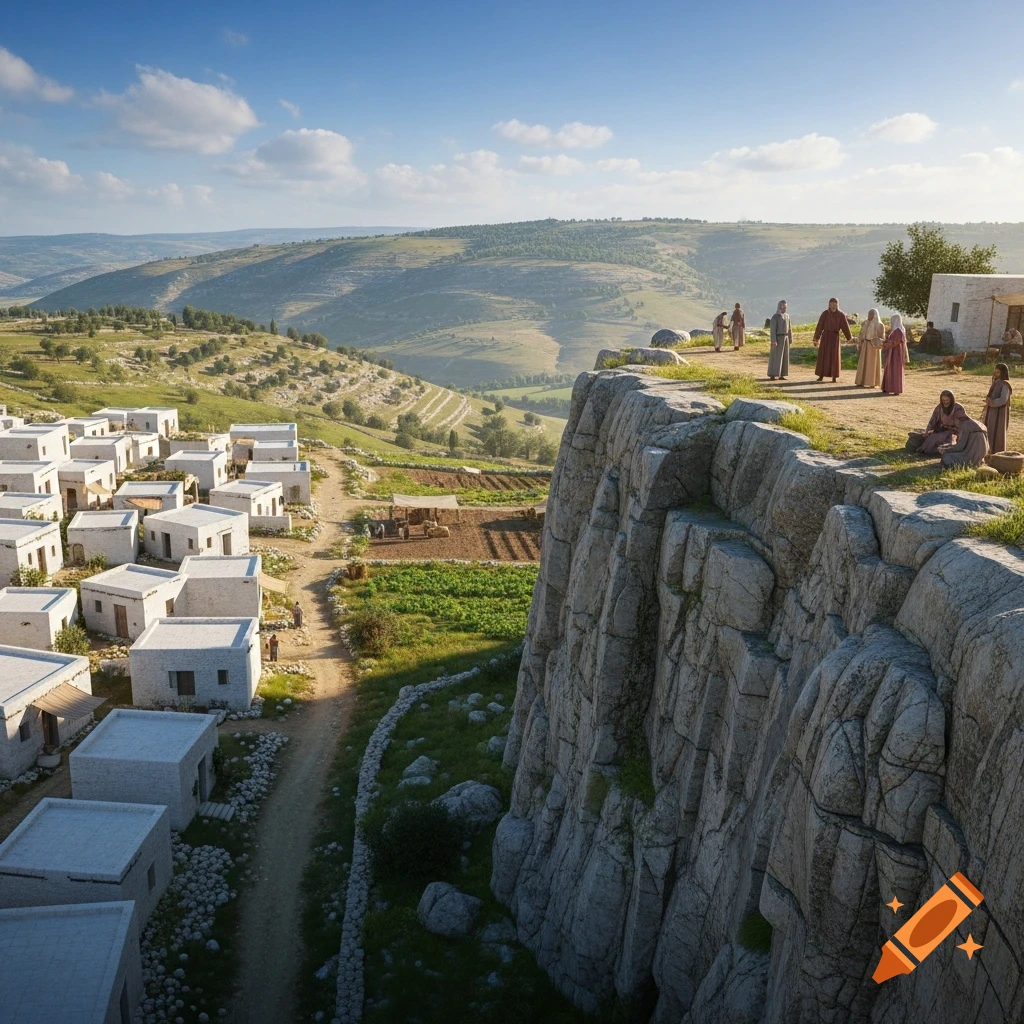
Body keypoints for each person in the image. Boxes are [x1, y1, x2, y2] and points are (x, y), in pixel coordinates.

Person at [812, 297, 852, 382]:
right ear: (829, 305)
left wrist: (849, 337)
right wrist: (816, 338)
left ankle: (834, 377)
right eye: (831, 305)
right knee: (823, 356)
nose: (833, 306)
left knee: (834, 357)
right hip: (825, 337)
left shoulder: (841, 315)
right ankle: (821, 375)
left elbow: (845, 327)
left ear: (837, 305)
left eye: (835, 304)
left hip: (835, 337)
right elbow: (819, 326)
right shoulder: (825, 314)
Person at [920, 390, 967, 454]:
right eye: (943, 400)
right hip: (944, 431)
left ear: (951, 400)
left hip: (956, 434)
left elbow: (964, 423)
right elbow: (932, 421)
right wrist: (927, 431)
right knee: (931, 439)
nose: (945, 402)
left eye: (947, 400)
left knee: (951, 443)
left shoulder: (958, 408)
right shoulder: (939, 408)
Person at [982, 363, 1013, 454]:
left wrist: (991, 402)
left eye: (998, 372)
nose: (995, 374)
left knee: (997, 432)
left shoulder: (1005, 385)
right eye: (995, 371)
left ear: (1003, 373)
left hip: (1000, 413)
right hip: (992, 411)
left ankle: (997, 453)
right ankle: (989, 451)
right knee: (989, 430)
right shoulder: (996, 382)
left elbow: (1003, 399)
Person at [854, 308, 885, 388]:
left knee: (873, 364)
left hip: (874, 347)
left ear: (875, 315)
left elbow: (882, 337)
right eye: (869, 314)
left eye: (871, 314)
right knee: (863, 363)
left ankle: (873, 382)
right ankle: (861, 381)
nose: (869, 316)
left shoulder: (880, 325)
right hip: (865, 345)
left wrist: (877, 342)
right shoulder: (865, 323)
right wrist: (859, 342)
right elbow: (861, 334)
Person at [881, 313, 908, 396]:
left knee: (895, 370)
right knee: (890, 369)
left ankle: (895, 388)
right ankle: (888, 387)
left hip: (895, 354)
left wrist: (884, 344)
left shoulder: (898, 331)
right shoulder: (898, 330)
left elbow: (894, 342)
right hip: (893, 353)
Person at [767, 300, 791, 379]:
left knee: (784, 357)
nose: (785, 308)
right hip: (778, 338)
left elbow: (789, 328)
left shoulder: (787, 316)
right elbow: (773, 330)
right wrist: (773, 340)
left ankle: (782, 374)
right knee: (776, 357)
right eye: (783, 306)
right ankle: (772, 374)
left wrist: (790, 338)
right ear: (780, 306)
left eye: (785, 306)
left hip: (785, 338)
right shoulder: (775, 317)